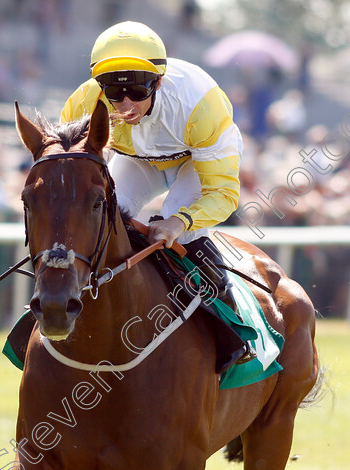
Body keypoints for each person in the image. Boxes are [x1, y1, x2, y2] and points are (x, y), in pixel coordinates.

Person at [60, 21, 253, 363]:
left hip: (195, 161)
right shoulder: (83, 103)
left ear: (158, 82)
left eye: (136, 90)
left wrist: (179, 223)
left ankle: (231, 327)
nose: (124, 104)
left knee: (179, 226)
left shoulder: (201, 106)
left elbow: (222, 193)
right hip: (137, 159)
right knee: (104, 215)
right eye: (113, 92)